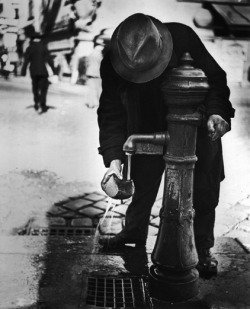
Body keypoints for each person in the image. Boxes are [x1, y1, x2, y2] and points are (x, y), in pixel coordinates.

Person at [97, 13, 235, 276]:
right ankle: (133, 232)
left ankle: (203, 247)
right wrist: (114, 162)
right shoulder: (113, 63)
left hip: (195, 126)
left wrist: (217, 113)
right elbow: (111, 112)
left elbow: (216, 79)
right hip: (147, 127)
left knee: (204, 191)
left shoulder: (183, 38)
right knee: (141, 186)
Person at [21, 33, 56, 113]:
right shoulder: (44, 47)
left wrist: (23, 72)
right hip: (43, 72)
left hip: (33, 72)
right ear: (40, 39)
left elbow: (26, 61)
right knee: (43, 89)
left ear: (33, 39)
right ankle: (42, 105)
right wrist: (54, 71)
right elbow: (49, 60)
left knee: (35, 88)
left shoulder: (29, 48)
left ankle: (36, 103)